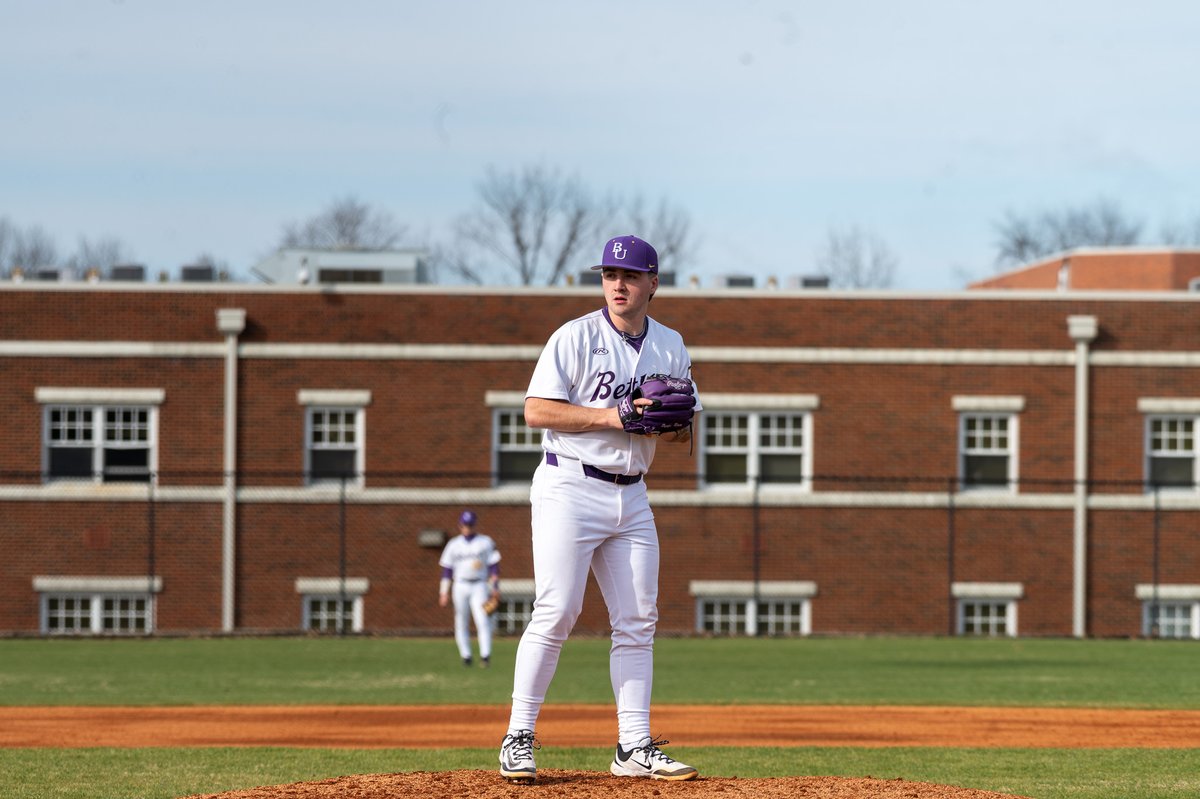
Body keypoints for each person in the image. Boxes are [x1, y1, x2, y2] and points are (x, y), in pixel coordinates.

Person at [498, 234, 701, 784]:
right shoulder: (575, 336)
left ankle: (633, 746)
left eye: (630, 275)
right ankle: (518, 735)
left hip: (632, 494)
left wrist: (669, 423)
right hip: (570, 485)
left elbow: (683, 432)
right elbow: (536, 411)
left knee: (637, 621)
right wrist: (616, 416)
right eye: (610, 274)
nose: (618, 284)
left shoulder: (670, 344)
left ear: (653, 283)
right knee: (557, 609)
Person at [438, 509, 501, 668]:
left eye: (470, 525)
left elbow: (494, 566)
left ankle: (485, 656)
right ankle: (466, 656)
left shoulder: (485, 542)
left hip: (479, 584)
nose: (467, 528)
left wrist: (495, 587)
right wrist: (443, 592)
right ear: (460, 525)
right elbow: (447, 570)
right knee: (461, 620)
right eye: (464, 525)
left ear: (475, 525)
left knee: (482, 619)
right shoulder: (453, 544)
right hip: (460, 585)